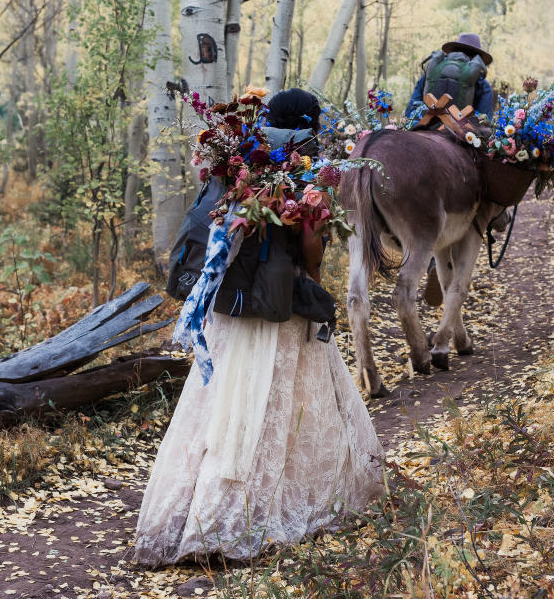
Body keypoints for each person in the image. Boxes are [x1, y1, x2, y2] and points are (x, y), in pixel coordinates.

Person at [133, 88, 385, 567]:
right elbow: (311, 246)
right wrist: (313, 278)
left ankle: (198, 511)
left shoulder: (237, 158)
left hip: (230, 308)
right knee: (279, 405)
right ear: (311, 123)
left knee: (223, 406)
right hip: (278, 307)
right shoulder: (307, 169)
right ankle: (253, 512)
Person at [406, 32, 496, 120]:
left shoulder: (432, 71)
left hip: (424, 122)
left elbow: (412, 107)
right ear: (478, 58)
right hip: (460, 129)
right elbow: (485, 119)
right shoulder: (482, 83)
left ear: (453, 50)